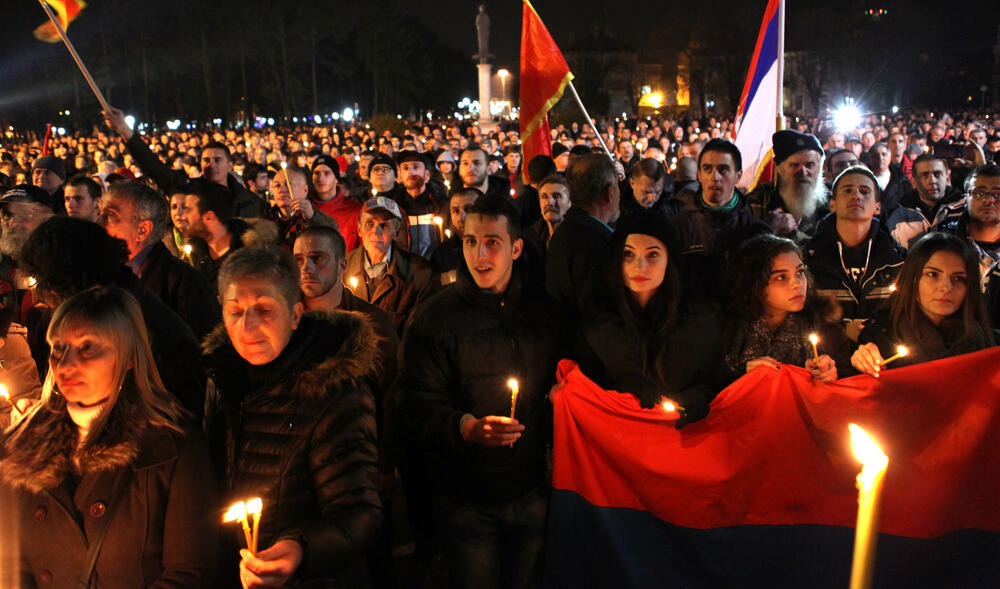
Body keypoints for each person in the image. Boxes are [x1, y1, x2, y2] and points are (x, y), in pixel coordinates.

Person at [0, 286, 217, 588]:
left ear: (128, 356)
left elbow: (190, 573)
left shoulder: (170, 447)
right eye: (59, 348)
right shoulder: (22, 447)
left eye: (87, 347)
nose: (65, 365)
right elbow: (12, 564)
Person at [402, 194, 557, 589]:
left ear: (516, 248)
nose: (479, 255)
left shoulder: (541, 313)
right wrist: (465, 427)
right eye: (470, 242)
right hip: (466, 498)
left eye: (492, 242)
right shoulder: (435, 318)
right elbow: (416, 405)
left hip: (531, 489)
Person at [203, 246, 382, 587]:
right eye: (235, 312)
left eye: (265, 310)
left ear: (296, 314)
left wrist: (299, 549)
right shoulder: (221, 376)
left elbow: (359, 513)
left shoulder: (334, 392)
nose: (248, 326)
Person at [19, 216, 206, 417]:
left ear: (65, 281)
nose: (42, 293)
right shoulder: (114, 305)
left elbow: (141, 417)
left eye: (45, 281)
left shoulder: (139, 329)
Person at [576, 211, 720, 426]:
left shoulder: (697, 321)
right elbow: (585, 389)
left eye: (652, 255)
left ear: (669, 259)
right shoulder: (597, 321)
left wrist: (701, 395)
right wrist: (620, 389)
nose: (639, 267)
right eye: (628, 254)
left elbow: (714, 378)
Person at [851, 232, 997, 377]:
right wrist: (863, 362)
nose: (946, 287)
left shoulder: (988, 343)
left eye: (958, 278)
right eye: (933, 274)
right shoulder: (879, 339)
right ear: (913, 279)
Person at [722, 234, 849, 386]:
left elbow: (846, 376)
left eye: (799, 272)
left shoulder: (824, 329)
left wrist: (832, 373)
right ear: (755, 284)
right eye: (781, 277)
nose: (797, 284)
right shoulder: (725, 330)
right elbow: (709, 385)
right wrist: (743, 375)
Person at [100, 181, 221, 340]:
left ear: (143, 230)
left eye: (111, 216)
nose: (98, 222)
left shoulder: (186, 285)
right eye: (100, 213)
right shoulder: (99, 273)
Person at [104, 107, 266, 218]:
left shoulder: (249, 202)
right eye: (206, 160)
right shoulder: (187, 190)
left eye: (218, 160)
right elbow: (154, 167)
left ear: (230, 166)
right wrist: (124, 130)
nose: (212, 164)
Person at [805, 167, 904, 336]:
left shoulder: (898, 259)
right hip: (827, 349)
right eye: (847, 190)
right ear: (832, 204)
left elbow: (905, 315)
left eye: (864, 191)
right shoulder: (809, 258)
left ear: (877, 207)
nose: (856, 196)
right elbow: (803, 316)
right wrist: (843, 331)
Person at [670, 138, 771, 302]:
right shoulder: (677, 228)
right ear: (699, 175)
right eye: (707, 169)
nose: (715, 177)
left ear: (738, 176)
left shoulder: (757, 232)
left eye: (723, 170)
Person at [546, 154, 621, 328]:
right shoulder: (596, 245)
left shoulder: (566, 232)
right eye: (618, 187)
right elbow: (601, 318)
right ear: (610, 193)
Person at [344, 197, 433, 333]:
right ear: (359, 228)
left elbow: (419, 329)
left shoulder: (419, 272)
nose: (376, 232)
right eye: (369, 223)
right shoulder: (343, 267)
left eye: (384, 225)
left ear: (396, 231)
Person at [937, 164, 1000, 323]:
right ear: (966, 198)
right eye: (979, 193)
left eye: (997, 194)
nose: (989, 200)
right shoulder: (942, 243)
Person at [747, 130, 829, 241]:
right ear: (780, 169)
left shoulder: (832, 201)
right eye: (794, 165)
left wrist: (795, 235)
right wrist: (769, 229)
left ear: (820, 168)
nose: (803, 172)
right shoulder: (760, 198)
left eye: (810, 165)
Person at [886, 154, 964, 249]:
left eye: (938, 174)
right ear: (914, 181)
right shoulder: (898, 217)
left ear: (948, 177)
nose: (932, 181)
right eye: (924, 175)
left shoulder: (965, 209)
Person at [266, 165, 338, 248]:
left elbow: (333, 241)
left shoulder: (314, 218)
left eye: (289, 184)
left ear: (305, 190)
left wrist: (312, 218)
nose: (281, 190)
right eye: (277, 185)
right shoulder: (265, 217)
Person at [310, 154, 361, 251]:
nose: (320, 178)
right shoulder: (305, 209)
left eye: (327, 173)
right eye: (316, 173)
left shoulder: (355, 210)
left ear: (336, 179)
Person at [431, 187, 480, 277]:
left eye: (469, 209)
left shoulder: (494, 248)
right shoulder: (442, 254)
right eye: (456, 211)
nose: (461, 218)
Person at [523, 174, 571, 258]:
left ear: (569, 203)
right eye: (544, 197)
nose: (549, 202)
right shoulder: (529, 239)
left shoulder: (580, 238)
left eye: (556, 196)